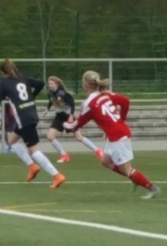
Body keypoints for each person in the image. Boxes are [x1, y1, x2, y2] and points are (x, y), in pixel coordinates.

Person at [65, 71, 161, 199]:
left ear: (85, 85)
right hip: (117, 134)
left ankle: (152, 188)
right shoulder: (106, 94)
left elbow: (78, 124)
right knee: (105, 161)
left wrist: (65, 125)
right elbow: (125, 101)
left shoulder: (89, 103)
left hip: (117, 137)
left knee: (127, 169)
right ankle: (134, 177)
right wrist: (121, 120)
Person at [0, 59, 66, 189]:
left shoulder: (4, 82)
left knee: (33, 150)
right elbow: (40, 84)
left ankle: (56, 175)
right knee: (11, 141)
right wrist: (32, 95)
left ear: (3, 72)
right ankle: (32, 166)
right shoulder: (23, 78)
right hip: (32, 113)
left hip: (23, 117)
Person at [43, 76, 103, 163]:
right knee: (50, 136)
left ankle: (97, 150)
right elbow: (51, 101)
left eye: (51, 84)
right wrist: (47, 109)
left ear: (56, 84)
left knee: (79, 137)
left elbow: (72, 103)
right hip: (59, 117)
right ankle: (64, 155)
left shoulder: (63, 94)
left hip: (67, 116)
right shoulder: (50, 94)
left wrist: (71, 115)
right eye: (49, 84)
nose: (49, 85)